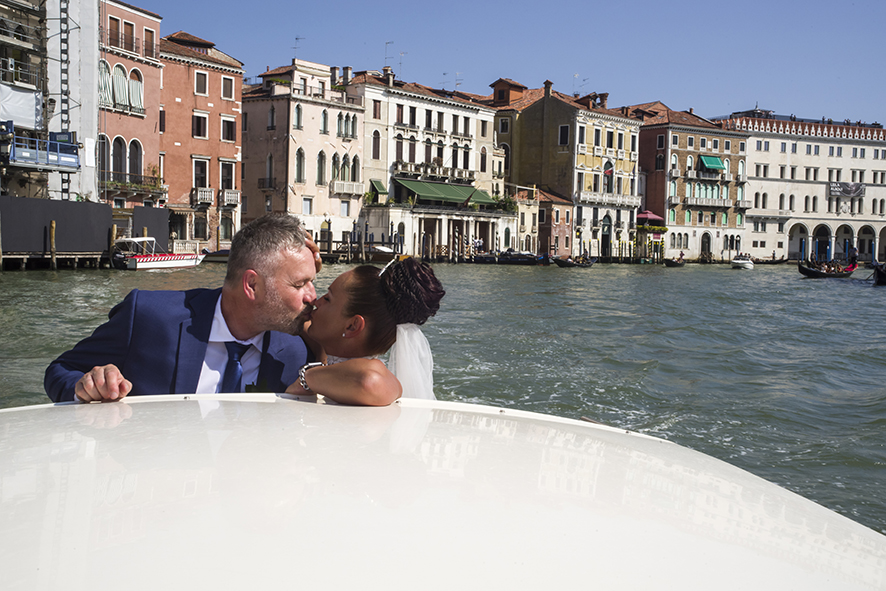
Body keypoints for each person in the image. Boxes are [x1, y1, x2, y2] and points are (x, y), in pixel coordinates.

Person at [43, 214, 396, 403]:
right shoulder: (148, 315)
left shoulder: (294, 351)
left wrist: (301, 272)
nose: (312, 297)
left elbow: (365, 374)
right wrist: (84, 385)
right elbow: (60, 370)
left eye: (312, 283)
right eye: (300, 284)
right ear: (252, 285)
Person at [286, 257, 445, 406]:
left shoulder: (375, 376)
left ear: (352, 326)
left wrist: (307, 378)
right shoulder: (329, 351)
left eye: (328, 298)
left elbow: (370, 381)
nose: (316, 301)